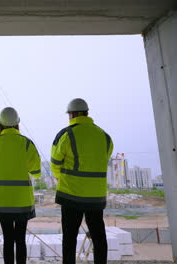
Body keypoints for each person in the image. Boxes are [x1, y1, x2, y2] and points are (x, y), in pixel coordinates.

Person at [50, 98, 113, 264]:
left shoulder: (66, 134)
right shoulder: (104, 136)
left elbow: (55, 164)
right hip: (95, 195)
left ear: (71, 114)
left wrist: (61, 177)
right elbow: (103, 160)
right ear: (87, 113)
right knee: (99, 236)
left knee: (69, 238)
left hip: (71, 194)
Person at [0, 107, 41, 264]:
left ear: (0, 124)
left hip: (2, 202)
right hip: (22, 202)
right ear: (17, 124)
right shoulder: (27, 144)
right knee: (20, 239)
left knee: (8, 239)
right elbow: (36, 172)